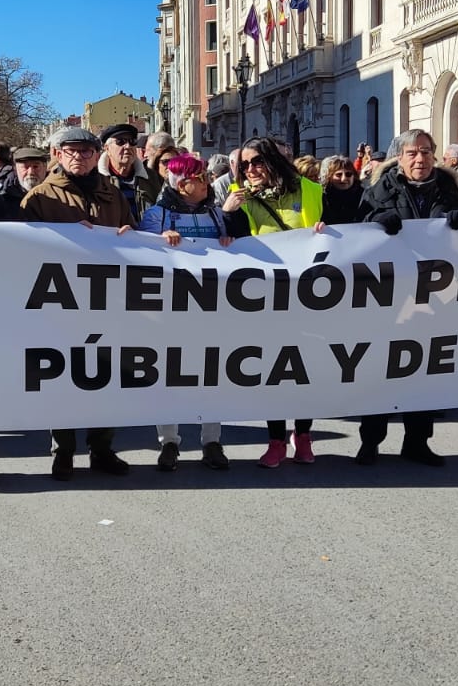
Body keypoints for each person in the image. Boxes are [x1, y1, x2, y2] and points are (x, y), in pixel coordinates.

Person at [20, 125, 134, 479]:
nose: (79, 157)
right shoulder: (40, 198)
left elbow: (135, 233)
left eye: (86, 151)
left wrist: (133, 236)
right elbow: (23, 248)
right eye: (71, 151)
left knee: (105, 376)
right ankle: (63, 450)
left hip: (107, 301)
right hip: (59, 304)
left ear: (97, 154)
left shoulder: (113, 194)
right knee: (62, 378)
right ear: (57, 154)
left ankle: (102, 448)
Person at [355, 129, 458, 466]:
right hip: (389, 297)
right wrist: (377, 219)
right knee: (381, 372)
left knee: (423, 372)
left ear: (434, 155)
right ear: (400, 157)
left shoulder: (448, 188)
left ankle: (417, 442)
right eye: (412, 153)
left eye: (425, 152)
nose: (419, 159)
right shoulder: (381, 188)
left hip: (434, 296)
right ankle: (370, 442)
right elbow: (358, 227)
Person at [221, 136, 326, 467]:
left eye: (257, 162)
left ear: (273, 162)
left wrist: (331, 229)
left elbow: (343, 228)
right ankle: (276, 440)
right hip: (266, 298)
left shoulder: (310, 190)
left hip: (310, 296)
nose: (251, 169)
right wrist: (227, 214)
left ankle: (304, 435)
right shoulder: (240, 199)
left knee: (306, 370)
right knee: (274, 371)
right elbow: (231, 244)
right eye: (245, 164)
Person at [138, 152, 243, 471]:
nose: (207, 183)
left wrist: (229, 239)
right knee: (168, 376)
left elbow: (230, 248)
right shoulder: (157, 215)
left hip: (211, 308)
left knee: (212, 376)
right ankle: (168, 442)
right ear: (183, 184)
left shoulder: (214, 213)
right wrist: (158, 241)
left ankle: (212, 440)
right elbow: (140, 254)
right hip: (170, 310)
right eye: (201, 179)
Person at [98, 122, 158, 222]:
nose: (128, 146)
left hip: (145, 235)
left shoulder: (151, 177)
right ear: (107, 149)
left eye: (132, 141)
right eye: (120, 141)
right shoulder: (96, 179)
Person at [319, 154, 363, 224]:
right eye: (338, 175)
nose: (344, 179)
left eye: (348, 174)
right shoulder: (321, 197)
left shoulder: (364, 196)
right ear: (329, 177)